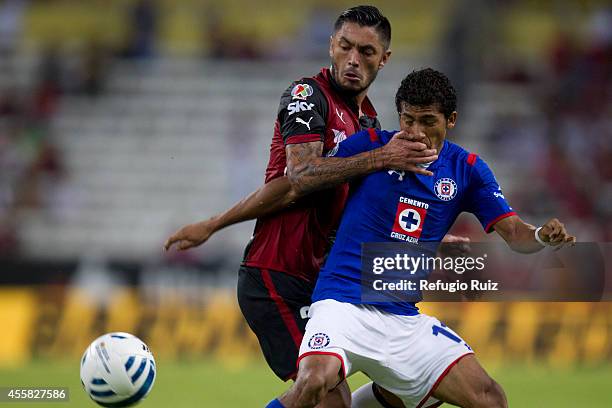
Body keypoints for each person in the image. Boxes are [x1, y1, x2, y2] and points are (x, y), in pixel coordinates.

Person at [165, 6, 441, 407]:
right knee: (327, 398)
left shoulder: (367, 121)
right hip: (276, 276)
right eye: (345, 46)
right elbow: (301, 177)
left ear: (385, 59)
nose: (353, 60)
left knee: (416, 383)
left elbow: (366, 207)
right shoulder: (308, 95)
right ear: (331, 45)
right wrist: (213, 224)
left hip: (327, 283)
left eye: (366, 52)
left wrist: (431, 232)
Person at [264, 68, 576, 408]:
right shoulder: (370, 147)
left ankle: (381, 393)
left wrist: (542, 236)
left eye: (427, 121)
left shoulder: (467, 169)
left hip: (402, 317)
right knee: (312, 381)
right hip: (342, 304)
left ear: (450, 119)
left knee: (490, 398)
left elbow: (516, 234)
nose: (415, 132)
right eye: (408, 120)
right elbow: (311, 185)